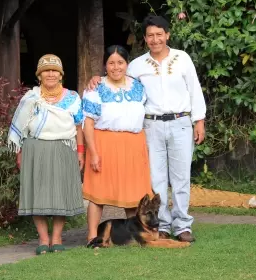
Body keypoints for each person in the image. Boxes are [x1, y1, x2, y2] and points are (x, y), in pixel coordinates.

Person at [86, 16, 206, 242]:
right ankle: (161, 225)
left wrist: (199, 120)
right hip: (151, 125)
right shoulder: (137, 65)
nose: (155, 39)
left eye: (159, 34)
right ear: (145, 38)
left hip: (181, 122)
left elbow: (195, 90)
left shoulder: (182, 59)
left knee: (181, 178)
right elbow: (117, 76)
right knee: (156, 179)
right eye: (150, 35)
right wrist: (96, 79)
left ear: (167, 35)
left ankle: (182, 226)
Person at [8, 54, 85, 255]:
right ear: (39, 76)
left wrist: (81, 151)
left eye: (54, 71)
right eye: (46, 71)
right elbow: (22, 129)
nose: (50, 74)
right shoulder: (30, 98)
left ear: (61, 76)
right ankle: (43, 239)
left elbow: (79, 126)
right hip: (35, 149)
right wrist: (20, 153)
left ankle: (57, 238)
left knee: (61, 194)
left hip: (64, 148)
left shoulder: (73, 98)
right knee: (38, 194)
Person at [82, 45, 153, 246]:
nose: (116, 67)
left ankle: (131, 236)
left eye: (120, 62)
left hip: (133, 144)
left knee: (133, 194)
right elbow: (87, 123)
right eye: (111, 63)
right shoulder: (96, 88)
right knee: (99, 194)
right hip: (104, 143)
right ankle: (92, 237)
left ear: (127, 64)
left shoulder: (138, 87)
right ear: (105, 65)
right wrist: (93, 153)